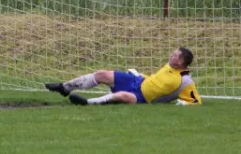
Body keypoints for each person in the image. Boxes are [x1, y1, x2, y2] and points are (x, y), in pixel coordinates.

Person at [45, 47, 202, 106]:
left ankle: (87, 102)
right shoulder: (170, 65)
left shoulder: (185, 80)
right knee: (102, 74)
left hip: (141, 97)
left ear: (181, 62)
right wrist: (141, 75)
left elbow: (196, 101)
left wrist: (184, 104)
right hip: (138, 81)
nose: (171, 56)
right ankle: (64, 87)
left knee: (122, 96)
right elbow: (156, 81)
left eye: (175, 56)